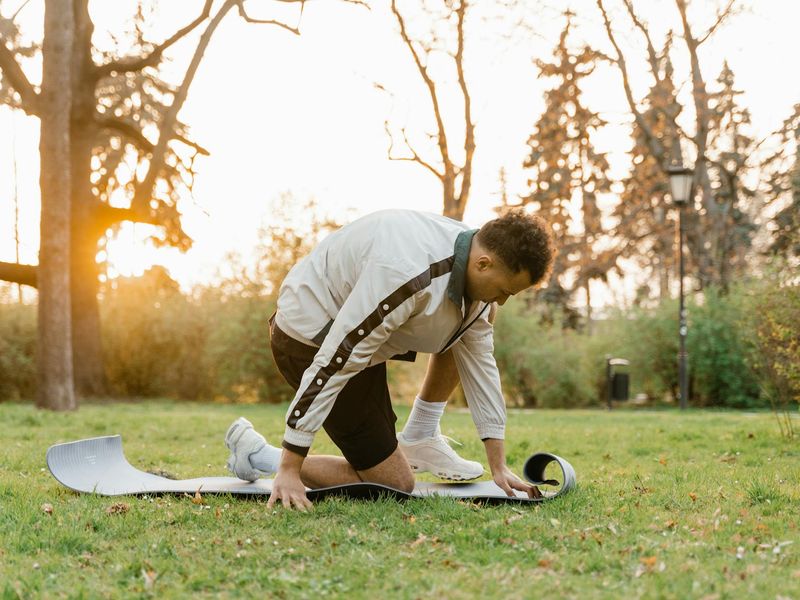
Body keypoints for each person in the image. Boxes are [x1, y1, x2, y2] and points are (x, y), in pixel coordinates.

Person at [225, 208, 555, 510]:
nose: (503, 301)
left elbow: (481, 363)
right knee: (394, 484)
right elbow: (336, 360)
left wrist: (499, 466)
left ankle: (421, 434)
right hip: (307, 337)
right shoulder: (406, 273)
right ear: (483, 264)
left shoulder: (475, 258)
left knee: (474, 321)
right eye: (505, 291)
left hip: (358, 335)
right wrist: (289, 467)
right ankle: (260, 455)